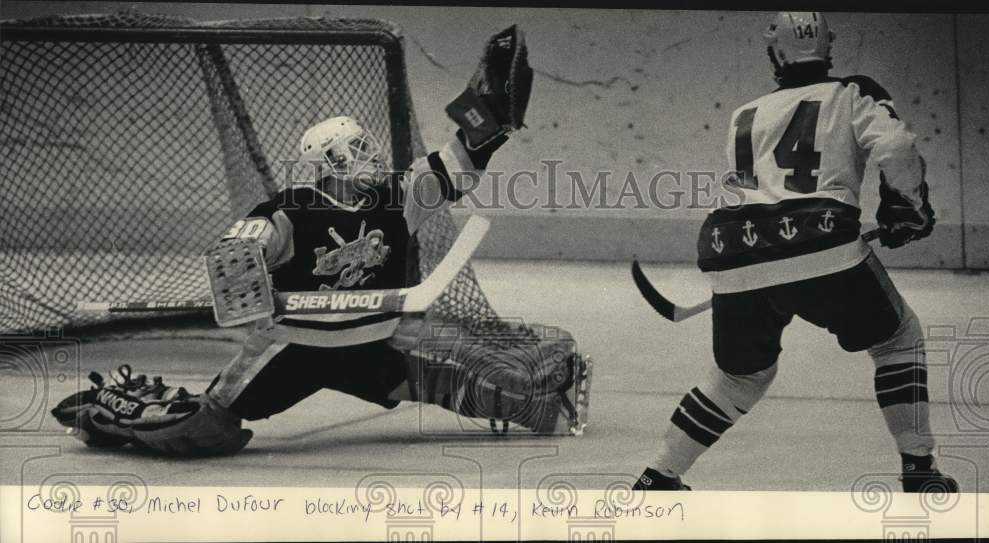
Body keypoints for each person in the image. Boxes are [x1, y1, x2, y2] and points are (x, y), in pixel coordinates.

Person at [52, 26, 591, 455]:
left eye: (366, 144)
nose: (371, 155)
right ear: (326, 164)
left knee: (465, 389)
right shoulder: (290, 209)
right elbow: (238, 250)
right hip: (294, 348)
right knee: (206, 427)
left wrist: (486, 115)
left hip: (371, 341)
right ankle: (114, 411)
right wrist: (243, 275)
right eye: (353, 149)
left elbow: (460, 161)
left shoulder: (396, 196)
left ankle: (549, 404)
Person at [633, 12, 956, 493]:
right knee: (897, 340)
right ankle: (919, 470)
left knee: (738, 378)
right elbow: (896, 146)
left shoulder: (744, 114)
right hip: (820, 247)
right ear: (828, 47)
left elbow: (760, 191)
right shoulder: (853, 92)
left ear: (774, 53)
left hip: (734, 251)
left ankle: (658, 476)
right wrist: (908, 206)